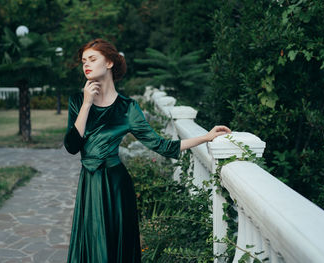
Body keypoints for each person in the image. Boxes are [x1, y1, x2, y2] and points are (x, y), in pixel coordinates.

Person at [64, 38, 231, 263]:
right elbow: (72, 147)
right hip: (89, 184)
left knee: (116, 249)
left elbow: (161, 145)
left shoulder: (127, 107)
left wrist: (207, 137)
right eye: (84, 61)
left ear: (110, 62)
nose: (87, 65)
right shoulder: (77, 101)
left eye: (93, 59)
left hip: (116, 187)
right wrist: (86, 104)